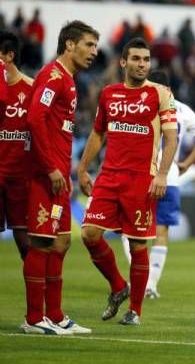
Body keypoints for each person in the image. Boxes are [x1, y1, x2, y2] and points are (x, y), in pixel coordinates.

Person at [77, 38, 178, 326]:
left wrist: (161, 175)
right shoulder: (109, 94)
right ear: (123, 62)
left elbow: (172, 138)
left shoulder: (161, 93)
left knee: (137, 246)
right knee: (89, 234)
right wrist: (83, 169)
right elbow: (97, 135)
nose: (142, 64)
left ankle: (134, 310)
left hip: (141, 179)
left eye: (146, 59)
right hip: (108, 176)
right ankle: (118, 286)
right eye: (136, 59)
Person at [21, 20, 98, 335]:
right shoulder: (53, 76)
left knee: (62, 242)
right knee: (41, 243)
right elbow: (34, 120)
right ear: (69, 44)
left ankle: (55, 314)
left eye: (95, 46)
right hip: (45, 174)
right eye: (88, 45)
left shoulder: (69, 80)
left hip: (59, 176)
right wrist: (51, 168)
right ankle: (33, 318)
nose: (94, 51)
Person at [120, 70, 195, 299]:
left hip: (142, 175)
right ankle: (150, 285)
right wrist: (186, 164)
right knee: (161, 232)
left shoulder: (139, 104)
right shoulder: (181, 108)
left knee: (129, 230)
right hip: (169, 177)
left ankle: (139, 281)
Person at [0, 31, 32, 260]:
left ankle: (35, 291)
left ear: (8, 56)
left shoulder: (32, 89)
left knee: (25, 242)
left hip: (21, 177)